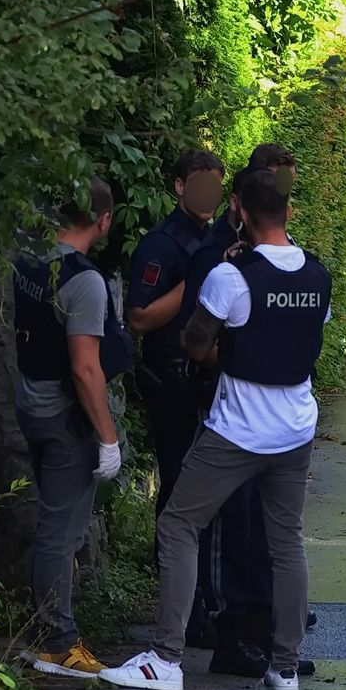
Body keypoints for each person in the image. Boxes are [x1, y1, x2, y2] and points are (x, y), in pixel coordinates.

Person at [144, 164, 333, 690]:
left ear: (240, 214)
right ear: (290, 212)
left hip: (238, 429)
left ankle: (165, 657)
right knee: (287, 540)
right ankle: (286, 668)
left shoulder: (232, 274)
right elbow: (303, 339)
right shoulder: (318, 274)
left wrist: (231, 353)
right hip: (296, 427)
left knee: (179, 524)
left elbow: (195, 340)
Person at [14, 177, 128, 682]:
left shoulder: (29, 262)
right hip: (65, 418)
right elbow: (86, 368)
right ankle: (58, 642)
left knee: (56, 526)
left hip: (32, 408)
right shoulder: (84, 281)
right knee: (60, 532)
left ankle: (49, 632)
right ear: (103, 221)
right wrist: (108, 437)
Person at [125, 148, 228, 508]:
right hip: (171, 376)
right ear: (180, 187)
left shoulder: (219, 241)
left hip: (208, 374)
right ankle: (167, 562)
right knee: (178, 481)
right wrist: (197, 282)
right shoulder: (160, 244)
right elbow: (138, 318)